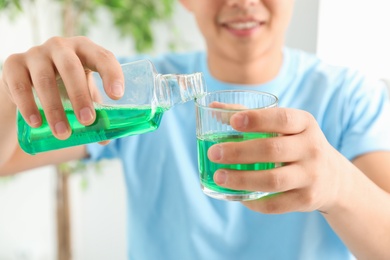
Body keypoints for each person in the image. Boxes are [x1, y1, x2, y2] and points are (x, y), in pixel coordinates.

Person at [1, 0, 390, 259]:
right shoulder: (127, 92)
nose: (242, 1)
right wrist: (12, 92)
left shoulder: (350, 96)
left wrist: (339, 185)